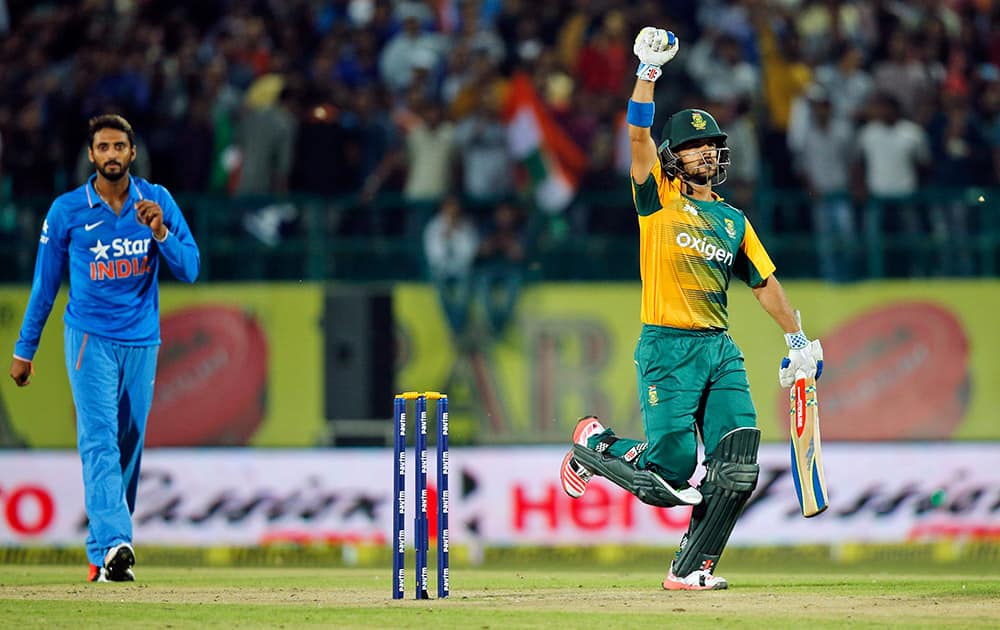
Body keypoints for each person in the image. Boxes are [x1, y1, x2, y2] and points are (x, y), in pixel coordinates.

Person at [559, 27, 824, 591]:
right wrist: (647, 72)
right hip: (667, 346)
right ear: (673, 157)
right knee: (667, 478)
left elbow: (765, 284)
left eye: (714, 145)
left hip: (718, 349)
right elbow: (635, 137)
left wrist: (798, 341)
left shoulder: (734, 220)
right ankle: (593, 443)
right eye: (695, 146)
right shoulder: (656, 198)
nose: (708, 151)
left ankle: (690, 569)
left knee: (737, 469)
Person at [8, 114, 200, 582]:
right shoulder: (68, 210)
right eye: (103, 148)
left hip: (141, 339)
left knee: (129, 444)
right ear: (91, 156)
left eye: (120, 147)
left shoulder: (157, 201)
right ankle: (117, 539)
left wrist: (160, 234)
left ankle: (104, 555)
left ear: (132, 154)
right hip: (89, 338)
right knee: (99, 441)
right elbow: (44, 285)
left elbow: (191, 268)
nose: (112, 155)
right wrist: (24, 347)